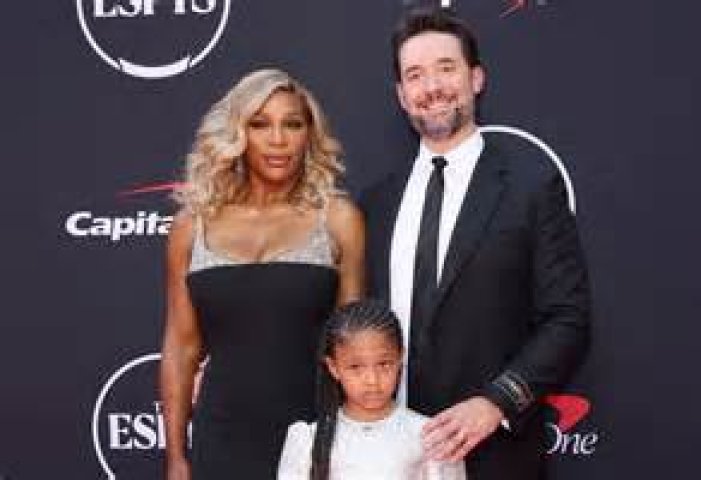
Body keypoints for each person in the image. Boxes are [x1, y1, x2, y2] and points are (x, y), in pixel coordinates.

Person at [360, 8, 592, 479]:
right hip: (390, 457)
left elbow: (567, 319)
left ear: (477, 78)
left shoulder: (530, 188)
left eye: (446, 68)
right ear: (402, 95)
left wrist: (496, 402)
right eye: (415, 75)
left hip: (495, 454)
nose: (432, 87)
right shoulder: (376, 204)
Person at [159, 69, 365, 479]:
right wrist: (177, 458)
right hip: (221, 441)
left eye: (293, 124)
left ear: (309, 134)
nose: (278, 139)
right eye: (260, 124)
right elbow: (181, 349)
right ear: (238, 133)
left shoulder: (338, 220)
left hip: (314, 443)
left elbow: (355, 349)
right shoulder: (191, 227)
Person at [277, 299, 466, 480]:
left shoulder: (429, 436)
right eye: (356, 367)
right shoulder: (309, 439)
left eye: (384, 364)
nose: (372, 380)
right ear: (333, 367)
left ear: (400, 358)